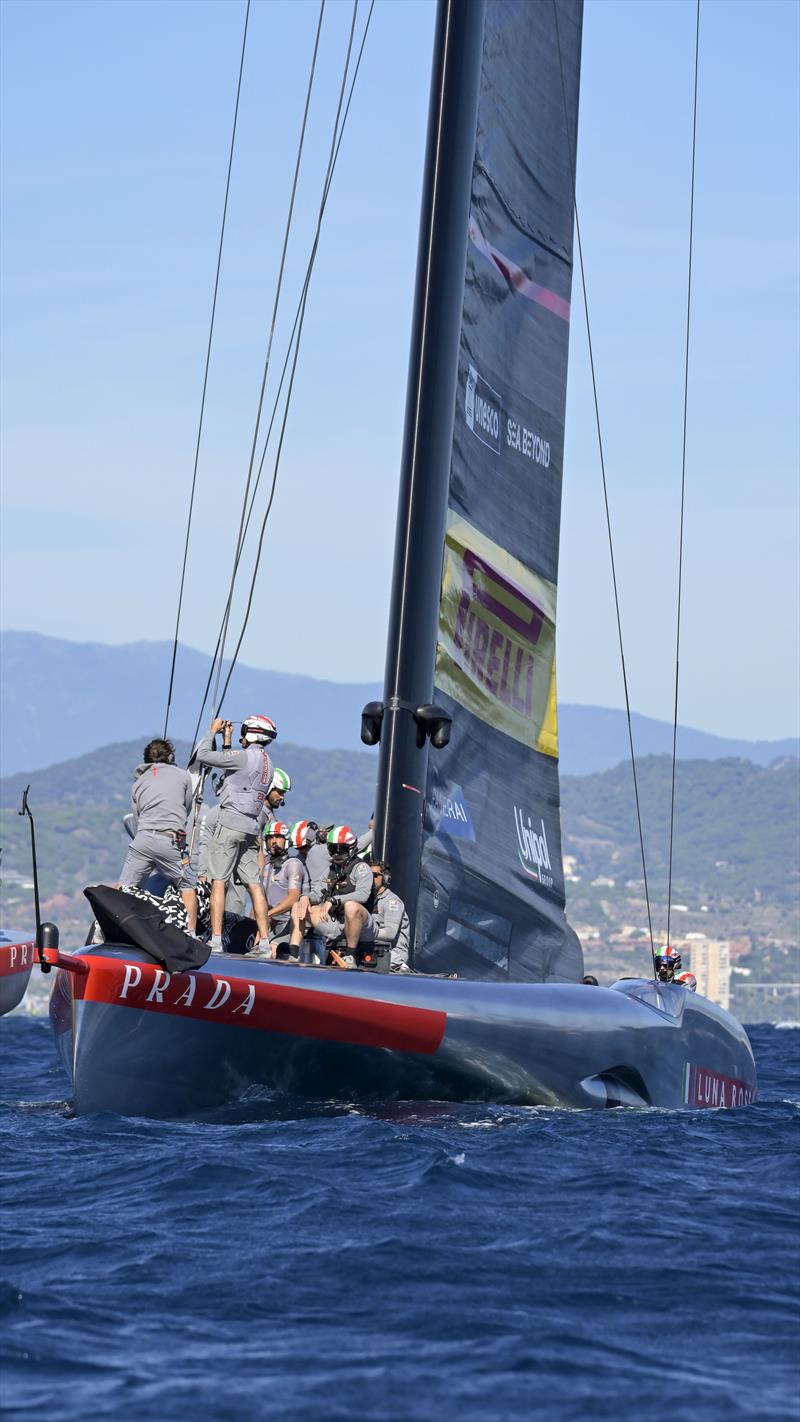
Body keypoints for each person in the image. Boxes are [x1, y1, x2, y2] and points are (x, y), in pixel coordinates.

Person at [192, 714, 276, 947]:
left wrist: (212, 731)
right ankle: (265, 943)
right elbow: (235, 775)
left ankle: (216, 939)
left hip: (230, 822)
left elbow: (204, 756)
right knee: (254, 884)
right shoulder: (268, 764)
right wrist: (227, 740)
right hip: (251, 827)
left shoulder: (243, 756)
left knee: (218, 879)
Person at [118, 738, 198, 933]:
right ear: (170, 756)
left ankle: (104, 928)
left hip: (143, 839)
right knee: (188, 885)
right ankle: (191, 934)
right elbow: (186, 808)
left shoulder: (138, 783)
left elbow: (137, 817)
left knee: (124, 886)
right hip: (170, 839)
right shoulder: (183, 776)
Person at [289, 826, 373, 961]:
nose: (335, 854)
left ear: (350, 848)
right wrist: (305, 897)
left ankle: (350, 956)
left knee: (351, 906)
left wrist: (335, 900)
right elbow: (317, 892)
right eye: (332, 849)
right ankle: (293, 955)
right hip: (338, 923)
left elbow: (363, 894)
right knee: (299, 905)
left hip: (362, 926)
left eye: (339, 849)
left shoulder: (361, 868)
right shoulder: (330, 870)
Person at [341, 861, 409, 971]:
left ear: (386, 878)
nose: (369, 878)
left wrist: (359, 931)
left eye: (374, 875)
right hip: (367, 954)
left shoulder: (392, 902)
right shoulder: (365, 900)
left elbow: (390, 933)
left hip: (391, 960)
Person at [261, 821, 309, 956]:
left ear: (286, 840)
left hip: (288, 923)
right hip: (270, 924)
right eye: (269, 838)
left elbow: (293, 897)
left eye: (277, 837)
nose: (273, 841)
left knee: (269, 952)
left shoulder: (293, 864)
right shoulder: (267, 866)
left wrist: (268, 914)